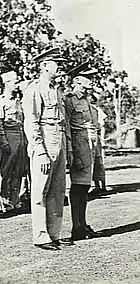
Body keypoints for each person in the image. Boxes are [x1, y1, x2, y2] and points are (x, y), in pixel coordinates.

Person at [23, 47, 73, 250]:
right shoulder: (34, 89)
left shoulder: (56, 90)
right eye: (56, 63)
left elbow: (65, 121)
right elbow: (31, 122)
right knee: (40, 190)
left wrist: (68, 146)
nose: (60, 67)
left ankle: (54, 233)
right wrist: (40, 150)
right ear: (44, 66)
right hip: (44, 138)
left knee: (58, 189)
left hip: (59, 138)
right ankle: (40, 235)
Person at [65, 61, 103, 241]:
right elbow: (68, 129)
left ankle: (82, 223)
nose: (92, 80)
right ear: (78, 80)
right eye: (88, 77)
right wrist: (72, 152)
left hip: (90, 146)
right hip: (79, 146)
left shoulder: (87, 99)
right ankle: (76, 226)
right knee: (77, 187)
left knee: (85, 187)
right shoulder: (70, 99)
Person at [0, 71, 29, 213]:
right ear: (6, 84)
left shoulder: (18, 100)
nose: (17, 84)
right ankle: (5, 200)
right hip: (9, 137)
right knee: (7, 171)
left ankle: (15, 200)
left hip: (20, 136)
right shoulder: (0, 101)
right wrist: (3, 142)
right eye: (15, 82)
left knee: (19, 171)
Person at [89, 87, 108, 196]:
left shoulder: (96, 110)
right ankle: (96, 186)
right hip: (90, 137)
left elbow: (103, 126)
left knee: (99, 162)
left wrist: (103, 139)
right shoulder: (89, 109)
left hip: (97, 138)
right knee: (93, 162)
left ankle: (103, 186)